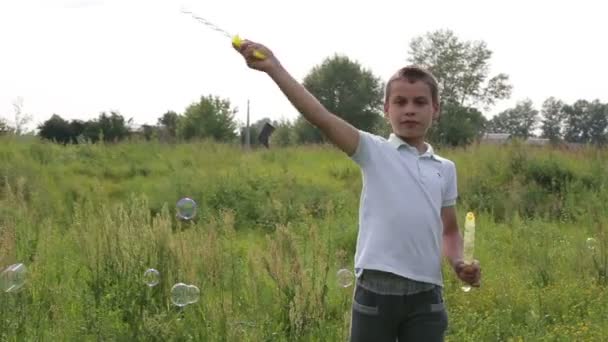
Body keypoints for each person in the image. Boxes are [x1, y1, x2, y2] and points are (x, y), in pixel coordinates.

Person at [233, 39, 481, 342]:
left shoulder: (445, 168)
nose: (410, 110)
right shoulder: (373, 151)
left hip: (427, 298)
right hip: (375, 294)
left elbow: (450, 231)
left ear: (436, 109)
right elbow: (320, 117)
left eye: (420, 102)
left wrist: (458, 262)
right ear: (386, 109)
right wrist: (274, 67)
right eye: (400, 102)